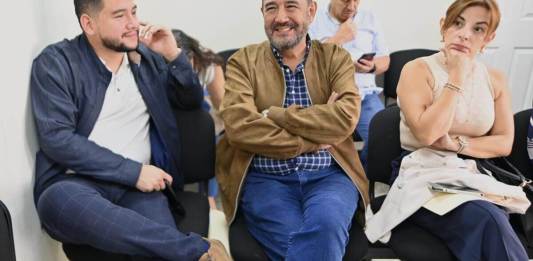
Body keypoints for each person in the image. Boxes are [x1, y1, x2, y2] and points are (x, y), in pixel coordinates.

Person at [31, 0, 229, 260]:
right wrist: (133, 172)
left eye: (134, 12)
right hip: (77, 184)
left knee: (155, 249)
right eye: (119, 15)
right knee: (55, 201)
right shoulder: (56, 63)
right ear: (88, 24)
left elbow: (190, 101)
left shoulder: (145, 59)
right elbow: (57, 139)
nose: (133, 23)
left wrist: (173, 55)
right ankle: (201, 251)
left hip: (140, 190)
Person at [365, 1, 529, 260]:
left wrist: (457, 145)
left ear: (488, 38)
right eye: (458, 23)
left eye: (478, 29)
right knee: (489, 221)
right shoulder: (417, 70)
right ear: (444, 26)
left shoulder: (495, 79)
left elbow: (504, 142)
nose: (465, 34)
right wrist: (456, 78)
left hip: (473, 171)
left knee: (491, 222)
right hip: (421, 172)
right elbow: (427, 135)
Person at [216, 0, 369, 260]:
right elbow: (240, 128)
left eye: (291, 6)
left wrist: (276, 114)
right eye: (271, 8)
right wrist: (310, 140)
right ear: (263, 13)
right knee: (302, 240)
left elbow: (344, 118)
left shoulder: (335, 58)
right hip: (265, 179)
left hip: (328, 175)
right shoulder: (243, 61)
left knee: (327, 226)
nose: (281, 17)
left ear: (311, 11)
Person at [309, 0, 390, 168]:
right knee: (323, 141)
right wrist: (340, 37)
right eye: (346, 1)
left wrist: (371, 67)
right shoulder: (313, 17)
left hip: (364, 96)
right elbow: (310, 60)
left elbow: (385, 60)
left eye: (356, 1)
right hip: (327, 97)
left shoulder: (369, 17)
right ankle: (338, 176)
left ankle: (360, 177)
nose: (352, 7)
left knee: (383, 137)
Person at [172, 29, 225, 209]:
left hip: (204, 114)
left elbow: (223, 107)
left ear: (193, 57)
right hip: (173, 118)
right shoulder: (157, 66)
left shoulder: (209, 65)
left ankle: (210, 196)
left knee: (211, 133)